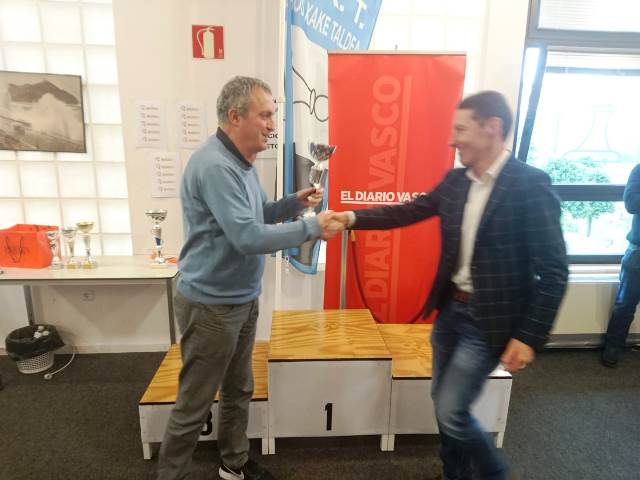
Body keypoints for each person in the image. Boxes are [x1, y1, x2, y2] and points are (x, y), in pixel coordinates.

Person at [332, 91, 568, 480]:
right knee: (443, 403)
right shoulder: (456, 181)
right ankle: (453, 474)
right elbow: (409, 211)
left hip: (489, 323)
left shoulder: (530, 185)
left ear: (491, 127)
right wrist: (351, 218)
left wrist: (528, 336)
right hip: (450, 312)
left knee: (451, 410)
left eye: (460, 129)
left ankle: (494, 474)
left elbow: (555, 271)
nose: (451, 140)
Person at [157, 76, 342, 480]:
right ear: (235, 116)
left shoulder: (241, 163)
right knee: (194, 402)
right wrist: (311, 227)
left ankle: (233, 465)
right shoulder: (215, 167)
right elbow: (247, 237)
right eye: (266, 115)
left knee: (239, 389)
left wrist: (294, 203)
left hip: (239, 299)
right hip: (210, 306)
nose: (272, 125)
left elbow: (258, 215)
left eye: (273, 115)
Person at [601, 164, 640, 367]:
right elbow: (631, 203)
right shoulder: (639, 170)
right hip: (638, 250)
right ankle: (613, 345)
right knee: (625, 303)